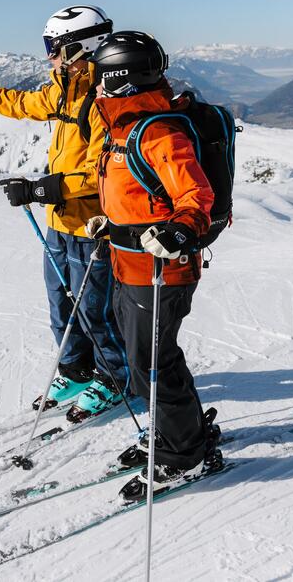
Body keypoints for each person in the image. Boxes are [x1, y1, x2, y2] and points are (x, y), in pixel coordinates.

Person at [0, 6, 129, 420]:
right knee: (60, 303)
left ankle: (115, 378)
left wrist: (44, 188)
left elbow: (103, 173)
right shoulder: (66, 91)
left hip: (92, 225)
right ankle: (76, 369)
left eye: (55, 48)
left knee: (93, 308)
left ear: (82, 48)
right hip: (60, 221)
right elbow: (24, 103)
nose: (49, 57)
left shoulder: (104, 102)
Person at [85, 30, 222, 498]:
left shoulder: (159, 131)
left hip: (162, 269)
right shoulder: (123, 128)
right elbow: (138, 194)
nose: (94, 87)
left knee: (153, 362)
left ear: (119, 80)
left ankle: (186, 456)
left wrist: (181, 228)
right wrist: (112, 222)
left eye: (100, 78)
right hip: (130, 264)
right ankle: (178, 433)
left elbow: (195, 196)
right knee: (146, 359)